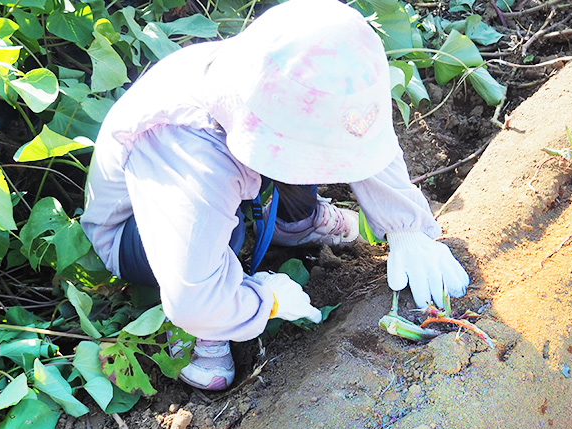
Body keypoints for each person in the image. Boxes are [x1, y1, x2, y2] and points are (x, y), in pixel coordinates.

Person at [81, 0, 469, 390]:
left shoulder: (304, 82)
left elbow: (362, 141)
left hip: (239, 158)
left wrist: (406, 228)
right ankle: (210, 326)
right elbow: (191, 298)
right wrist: (264, 301)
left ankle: (294, 224)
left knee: (317, 151)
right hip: (134, 227)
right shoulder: (194, 152)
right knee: (224, 237)